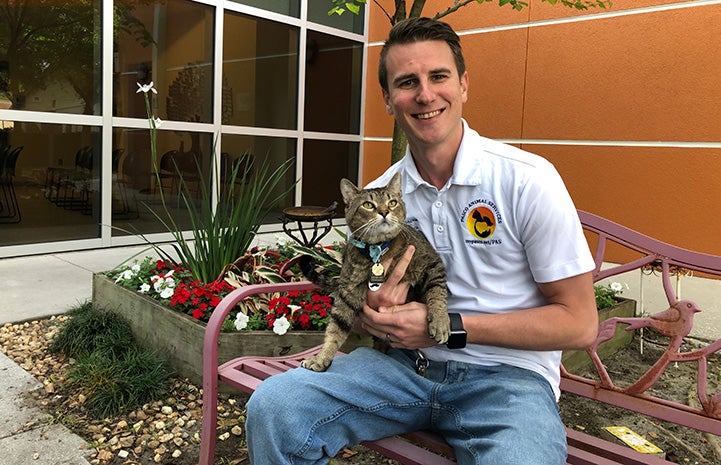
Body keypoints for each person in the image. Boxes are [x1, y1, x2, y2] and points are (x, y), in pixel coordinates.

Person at [245, 17, 598, 465]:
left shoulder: (527, 180)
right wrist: (371, 315)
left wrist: (448, 327)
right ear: (389, 101)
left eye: (439, 76)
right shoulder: (380, 197)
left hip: (508, 379)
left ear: (464, 85)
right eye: (407, 82)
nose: (426, 95)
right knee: (276, 408)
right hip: (401, 368)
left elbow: (580, 323)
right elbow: (359, 306)